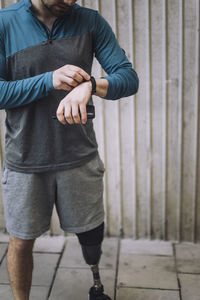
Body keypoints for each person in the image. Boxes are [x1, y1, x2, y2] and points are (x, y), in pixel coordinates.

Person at [0, 0, 139, 299]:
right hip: (24, 160)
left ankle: (97, 282)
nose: (70, 0)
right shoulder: (4, 23)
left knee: (90, 233)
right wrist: (48, 80)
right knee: (21, 242)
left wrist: (90, 85)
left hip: (79, 156)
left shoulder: (90, 21)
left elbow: (128, 78)